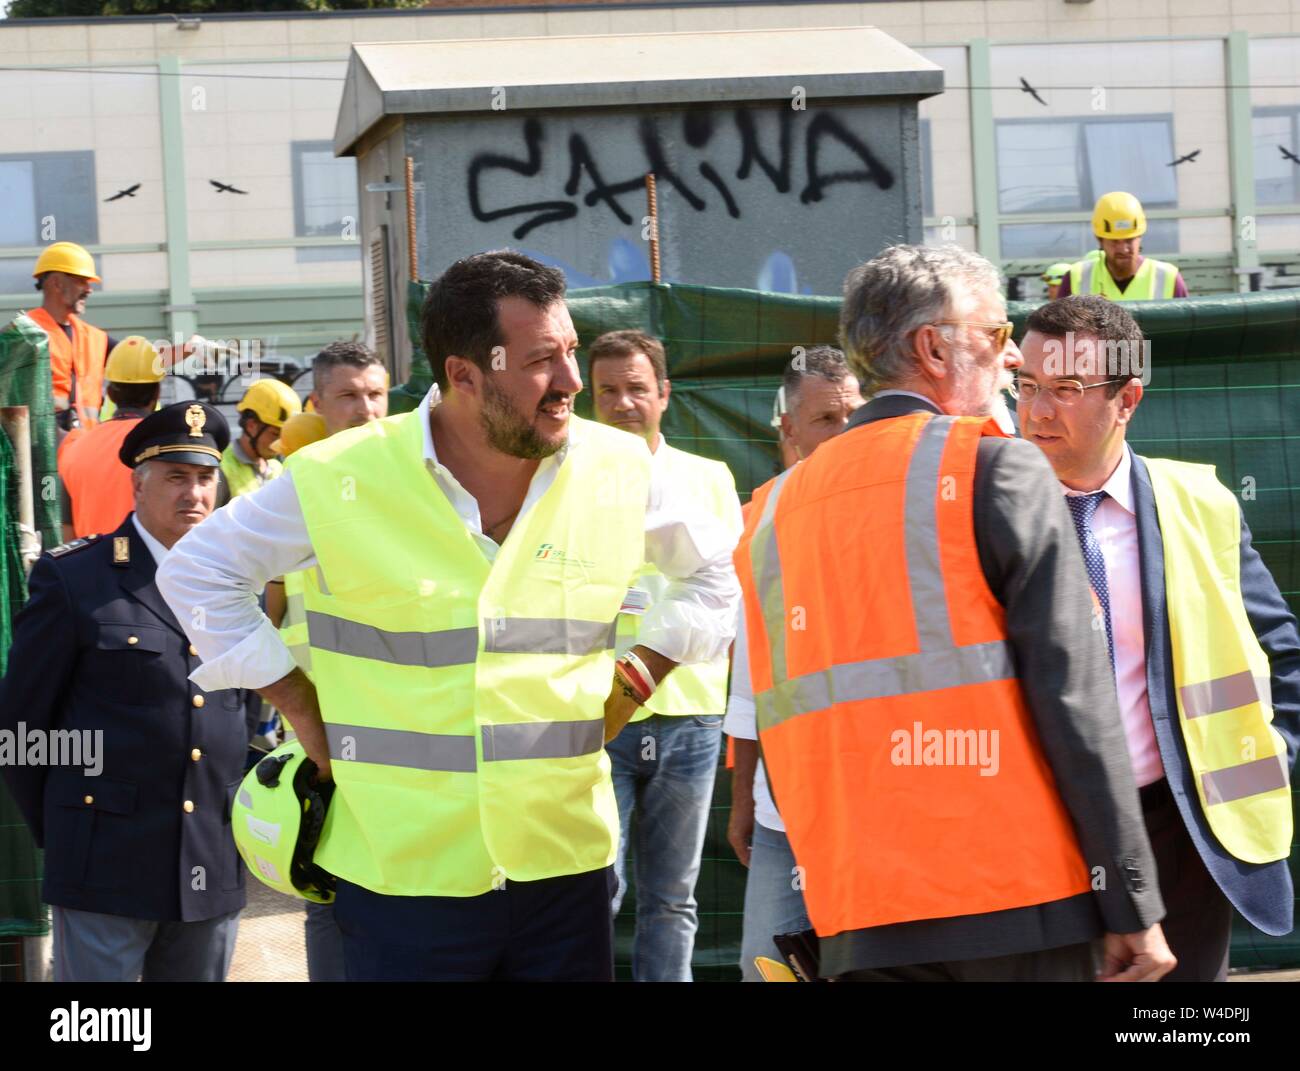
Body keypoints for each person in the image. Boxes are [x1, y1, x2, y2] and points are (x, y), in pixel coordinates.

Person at [157, 250, 739, 982]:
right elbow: (195, 571)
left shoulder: (619, 468)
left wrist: (639, 674)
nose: (568, 383)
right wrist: (296, 702)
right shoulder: (346, 476)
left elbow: (715, 578)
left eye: (569, 353)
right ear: (463, 374)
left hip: (564, 869)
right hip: (401, 878)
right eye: (539, 362)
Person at [737, 243, 1176, 982]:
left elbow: (786, 727)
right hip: (1018, 905)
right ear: (934, 347)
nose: (1010, 361)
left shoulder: (772, 513)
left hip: (857, 917)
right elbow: (1075, 702)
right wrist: (1131, 897)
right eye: (999, 337)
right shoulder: (995, 467)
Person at [1017, 295, 1300, 982]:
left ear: (1128, 398)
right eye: (1025, 386)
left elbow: (1279, 646)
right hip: (1043, 831)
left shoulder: (1200, 503)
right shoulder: (991, 514)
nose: (1036, 411)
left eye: (1066, 389)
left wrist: (1278, 755)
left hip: (1187, 830)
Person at [0, 402, 252, 982]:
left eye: (204, 477)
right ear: (138, 483)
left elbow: (241, 710)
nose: (194, 493)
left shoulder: (237, 582)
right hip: (104, 860)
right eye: (175, 477)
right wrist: (69, 827)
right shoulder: (77, 578)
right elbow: (20, 732)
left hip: (209, 858)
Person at [588, 328, 743, 982]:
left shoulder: (710, 478)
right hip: (599, 716)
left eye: (637, 388)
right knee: (596, 891)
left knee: (673, 897)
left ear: (665, 394)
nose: (624, 402)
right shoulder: (567, 477)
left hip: (691, 715)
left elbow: (729, 598)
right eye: (609, 391)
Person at [725, 344, 861, 981]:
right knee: (768, 971)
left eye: (851, 416)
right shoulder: (761, 520)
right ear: (788, 429)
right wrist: (744, 798)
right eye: (825, 420)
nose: (842, 433)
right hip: (785, 814)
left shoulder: (894, 508)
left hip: (876, 802)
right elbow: (753, 676)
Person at [57, 336, 164, 540]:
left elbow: (66, 534)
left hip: (90, 569)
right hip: (150, 568)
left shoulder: (74, 449)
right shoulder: (164, 447)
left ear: (110, 394)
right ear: (156, 393)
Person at [27, 241, 116, 432]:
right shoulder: (22, 335)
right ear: (56, 283)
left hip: (85, 451)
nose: (89, 289)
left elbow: (143, 360)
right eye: (81, 280)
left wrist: (188, 349)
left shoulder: (95, 339)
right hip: (44, 453)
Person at [1060, 193, 1188, 302]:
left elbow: (1187, 329)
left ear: (1140, 237)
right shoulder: (1076, 278)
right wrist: (1071, 333)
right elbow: (1064, 330)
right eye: (1114, 241)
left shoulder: (1168, 278)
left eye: (1129, 240)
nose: (1123, 249)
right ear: (1100, 240)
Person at [216, 377, 301, 507]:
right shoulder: (221, 468)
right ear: (251, 425)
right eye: (276, 434)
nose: (281, 443)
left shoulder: (277, 468)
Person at [308, 341, 389, 436]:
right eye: (349, 395)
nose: (367, 409)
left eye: (375, 394)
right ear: (317, 403)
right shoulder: (302, 450)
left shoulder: (407, 448)